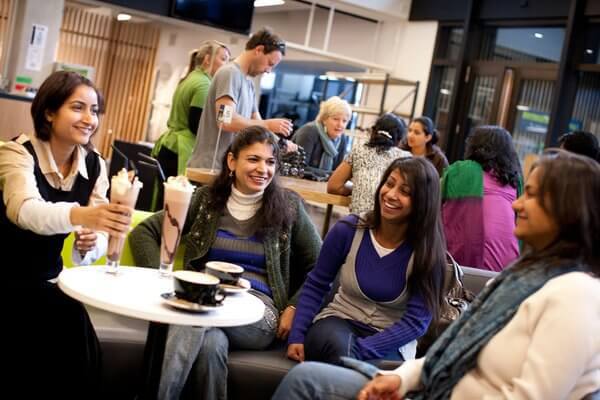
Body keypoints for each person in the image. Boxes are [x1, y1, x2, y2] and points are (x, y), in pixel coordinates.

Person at [272, 149, 600, 400]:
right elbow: (448, 352)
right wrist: (404, 378)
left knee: (306, 381)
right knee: (307, 376)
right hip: (429, 383)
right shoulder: (520, 276)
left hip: (436, 388)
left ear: (568, 210)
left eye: (531, 195)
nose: (515, 205)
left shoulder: (575, 295)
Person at [129, 126, 322, 400]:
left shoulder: (289, 206)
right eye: (253, 159)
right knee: (211, 345)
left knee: (194, 317)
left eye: (270, 162)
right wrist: (163, 278)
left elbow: (322, 266)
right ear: (232, 161)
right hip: (206, 301)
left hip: (258, 312)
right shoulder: (206, 200)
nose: (263, 169)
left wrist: (294, 306)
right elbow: (143, 233)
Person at [0, 71, 134, 396]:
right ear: (49, 111)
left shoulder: (97, 166)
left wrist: (90, 241)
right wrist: (84, 215)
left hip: (46, 286)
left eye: (95, 110)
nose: (89, 119)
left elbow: (95, 242)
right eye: (78, 108)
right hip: (4, 281)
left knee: (70, 326)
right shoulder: (15, 153)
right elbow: (24, 211)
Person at [286, 157, 446, 367]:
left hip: (392, 341)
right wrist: (297, 335)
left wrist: (362, 350)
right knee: (338, 348)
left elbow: (416, 322)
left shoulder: (428, 253)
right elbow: (316, 284)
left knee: (355, 361)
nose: (391, 194)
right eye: (389, 184)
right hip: (337, 322)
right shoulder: (348, 230)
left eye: (405, 192)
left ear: (423, 202)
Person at [187, 28, 296, 170]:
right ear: (259, 50)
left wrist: (280, 143)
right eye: (269, 63)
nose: (269, 71)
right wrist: (268, 125)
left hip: (229, 169)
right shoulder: (229, 74)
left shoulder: (249, 84)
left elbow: (257, 123)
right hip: (210, 168)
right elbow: (225, 121)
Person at [442, 126, 522, 271]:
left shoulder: (463, 170)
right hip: (508, 270)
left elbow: (430, 202)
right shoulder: (515, 182)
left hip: (464, 269)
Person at [152, 40, 231, 179]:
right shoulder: (204, 84)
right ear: (207, 59)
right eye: (223, 59)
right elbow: (195, 124)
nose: (226, 65)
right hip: (181, 149)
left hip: (170, 147)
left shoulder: (190, 78)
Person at [327, 113, 411, 214]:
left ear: (373, 131)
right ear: (399, 140)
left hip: (357, 221)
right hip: (388, 223)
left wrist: (357, 188)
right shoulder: (406, 159)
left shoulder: (359, 150)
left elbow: (334, 186)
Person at [292, 95, 351, 179]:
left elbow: (338, 171)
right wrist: (331, 174)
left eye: (344, 121)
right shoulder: (309, 131)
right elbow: (300, 168)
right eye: (335, 119)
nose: (340, 125)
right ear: (324, 119)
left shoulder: (342, 139)